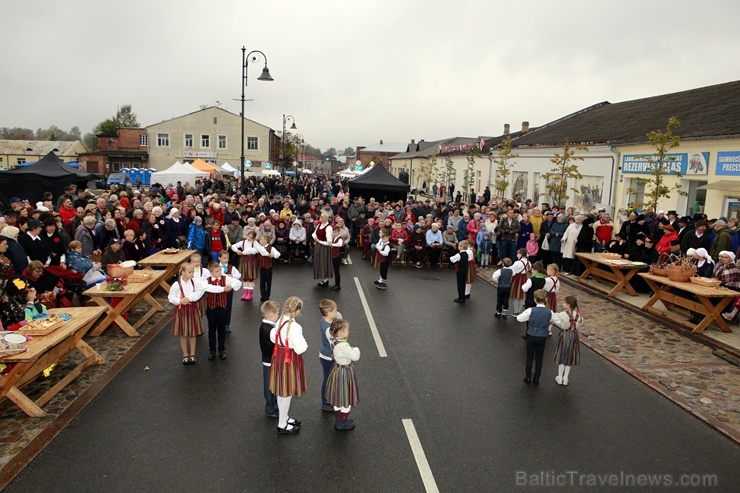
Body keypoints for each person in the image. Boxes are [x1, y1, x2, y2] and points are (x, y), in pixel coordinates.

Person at [269, 296, 307, 434]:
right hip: (289, 360)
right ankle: (282, 424)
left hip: (278, 357)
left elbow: (272, 337)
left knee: (281, 391)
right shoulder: (295, 327)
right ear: (297, 311)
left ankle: (284, 418)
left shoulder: (279, 321)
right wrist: (304, 343)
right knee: (286, 393)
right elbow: (300, 348)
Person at [168, 263, 217, 364]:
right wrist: (180, 301)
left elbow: (203, 289)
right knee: (183, 334)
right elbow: (171, 298)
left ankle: (193, 354)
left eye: (193, 272)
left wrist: (191, 298)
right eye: (190, 272)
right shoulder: (176, 284)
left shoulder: (194, 282)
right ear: (182, 272)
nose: (192, 274)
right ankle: (185, 354)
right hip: (181, 310)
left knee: (192, 333)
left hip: (192, 309)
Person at [517, 289, 565, 386]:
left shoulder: (530, 310)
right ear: (546, 299)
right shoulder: (549, 312)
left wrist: (529, 318)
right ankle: (536, 379)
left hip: (531, 335)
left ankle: (528, 377)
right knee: (539, 358)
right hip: (542, 336)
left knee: (529, 356)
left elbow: (519, 318)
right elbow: (558, 322)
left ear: (535, 300)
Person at [325, 319, 360, 431]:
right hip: (344, 372)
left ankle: (339, 419)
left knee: (338, 397)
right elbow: (355, 356)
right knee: (346, 398)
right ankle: (342, 422)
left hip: (336, 370)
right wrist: (355, 349)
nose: (348, 332)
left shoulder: (333, 340)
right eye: (347, 330)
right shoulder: (343, 345)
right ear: (340, 333)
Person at [203, 261, 241, 360]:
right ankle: (212, 350)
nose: (219, 272)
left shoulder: (226, 278)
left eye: (220, 270)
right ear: (211, 272)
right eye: (216, 271)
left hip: (222, 308)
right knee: (211, 330)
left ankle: (221, 349)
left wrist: (231, 286)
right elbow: (206, 288)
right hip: (211, 309)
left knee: (221, 330)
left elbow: (238, 282)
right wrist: (223, 289)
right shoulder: (206, 281)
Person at [554, 295, 582, 386]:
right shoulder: (578, 315)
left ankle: (559, 377)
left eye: (564, 303)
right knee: (569, 356)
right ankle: (566, 378)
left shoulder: (563, 314)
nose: (563, 304)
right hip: (574, 335)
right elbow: (579, 325)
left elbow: (557, 321)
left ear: (569, 305)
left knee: (562, 354)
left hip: (565, 335)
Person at [259, 300, 280, 418]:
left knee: (272, 383)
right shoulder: (269, 329)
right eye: (277, 313)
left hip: (269, 359)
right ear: (271, 314)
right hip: (269, 360)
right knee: (269, 385)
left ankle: (273, 404)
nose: (278, 315)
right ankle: (270, 407)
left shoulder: (267, 326)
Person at [318, 299, 339, 412]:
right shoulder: (328, 329)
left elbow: (338, 316)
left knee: (329, 378)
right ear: (330, 313)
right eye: (335, 310)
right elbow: (335, 344)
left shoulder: (325, 320)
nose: (337, 312)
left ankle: (329, 398)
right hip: (328, 358)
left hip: (325, 355)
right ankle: (325, 402)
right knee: (327, 379)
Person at [217, 250, 241, 332]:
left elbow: (239, 275)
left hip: (229, 290)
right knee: (219, 307)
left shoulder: (231, 267)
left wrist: (233, 276)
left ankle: (227, 324)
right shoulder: (216, 267)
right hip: (219, 290)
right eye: (224, 258)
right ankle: (219, 323)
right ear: (219, 258)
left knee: (228, 307)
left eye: (227, 258)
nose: (226, 260)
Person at [232, 229, 259, 301]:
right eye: (248, 236)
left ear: (254, 238)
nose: (249, 238)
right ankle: (245, 293)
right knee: (244, 277)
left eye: (251, 237)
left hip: (251, 260)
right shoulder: (243, 242)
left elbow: (258, 250)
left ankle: (250, 294)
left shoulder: (255, 243)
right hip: (244, 260)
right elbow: (233, 246)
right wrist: (237, 251)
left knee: (250, 277)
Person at [256, 234, 280, 301]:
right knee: (262, 282)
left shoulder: (271, 248)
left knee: (268, 282)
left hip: (268, 267)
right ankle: (262, 295)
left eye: (261, 239)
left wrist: (273, 255)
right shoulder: (259, 248)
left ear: (265, 241)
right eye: (259, 239)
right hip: (262, 267)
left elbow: (278, 254)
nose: (260, 241)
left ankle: (267, 295)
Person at [313, 212, 334, 287]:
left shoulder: (329, 227)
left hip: (324, 247)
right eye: (321, 217)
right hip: (319, 246)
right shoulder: (319, 225)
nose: (323, 219)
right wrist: (315, 238)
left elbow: (328, 240)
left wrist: (319, 241)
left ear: (327, 218)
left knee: (324, 263)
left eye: (324, 218)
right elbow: (314, 233)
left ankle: (325, 280)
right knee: (319, 262)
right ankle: (323, 279)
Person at [509, 248, 532, 316]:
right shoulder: (528, 262)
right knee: (522, 296)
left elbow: (512, 270)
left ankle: (516, 312)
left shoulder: (518, 262)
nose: (517, 255)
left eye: (518, 254)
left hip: (517, 279)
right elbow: (529, 269)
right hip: (524, 278)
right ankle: (519, 311)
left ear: (521, 254)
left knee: (516, 296)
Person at [449, 239, 471, 303]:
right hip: (465, 270)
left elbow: (452, 259)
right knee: (463, 283)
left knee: (460, 284)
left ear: (461, 246)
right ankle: (463, 296)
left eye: (459, 246)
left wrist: (451, 257)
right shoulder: (466, 254)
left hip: (460, 270)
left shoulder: (459, 254)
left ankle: (461, 298)